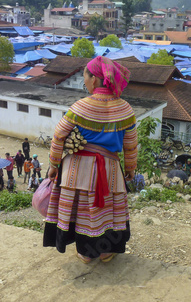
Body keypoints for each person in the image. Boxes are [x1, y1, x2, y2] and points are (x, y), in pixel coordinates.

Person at [44, 56, 138, 264]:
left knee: (82, 211)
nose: (84, 81)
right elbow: (130, 144)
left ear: (94, 80)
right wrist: (131, 167)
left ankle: (86, 253)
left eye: (85, 77)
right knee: (105, 211)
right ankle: (105, 252)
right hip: (110, 170)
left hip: (78, 171)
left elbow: (59, 136)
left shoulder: (80, 108)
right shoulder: (125, 109)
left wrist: (53, 164)